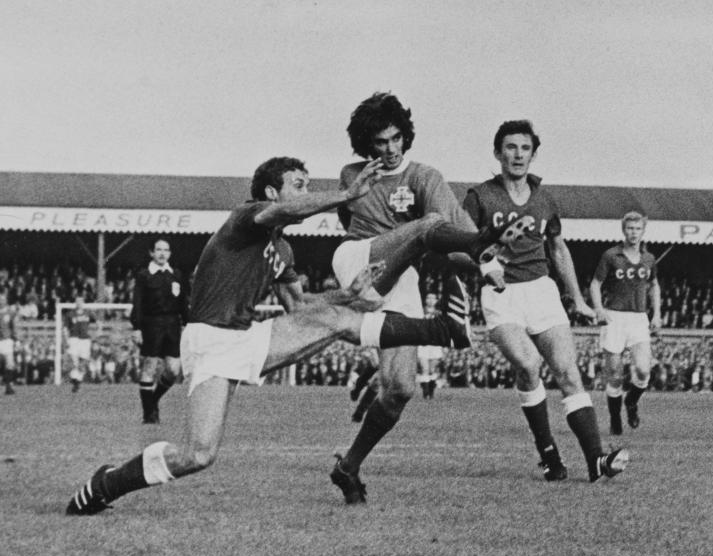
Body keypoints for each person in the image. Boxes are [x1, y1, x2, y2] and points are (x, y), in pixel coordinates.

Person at [65, 156, 476, 516]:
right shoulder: (247, 217)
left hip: (247, 337)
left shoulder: (282, 251)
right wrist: (347, 194)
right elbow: (290, 211)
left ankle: (444, 328)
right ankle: (108, 484)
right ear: (270, 192)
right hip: (209, 340)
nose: (304, 192)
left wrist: (346, 294)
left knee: (335, 317)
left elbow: (298, 306)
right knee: (198, 455)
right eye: (297, 185)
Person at [328, 91, 518, 505]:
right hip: (360, 259)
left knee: (399, 389)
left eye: (397, 139)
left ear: (406, 137)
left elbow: (456, 227)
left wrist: (483, 266)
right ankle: (443, 324)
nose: (390, 149)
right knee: (427, 226)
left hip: (403, 275)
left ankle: (350, 467)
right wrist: (479, 251)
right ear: (367, 144)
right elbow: (362, 223)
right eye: (380, 142)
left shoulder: (425, 177)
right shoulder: (352, 174)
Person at [462, 119, 628, 483]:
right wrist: (486, 264)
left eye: (525, 148)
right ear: (497, 152)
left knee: (568, 372)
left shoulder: (543, 198)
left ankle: (596, 460)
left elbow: (558, 249)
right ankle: (548, 450)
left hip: (541, 290)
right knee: (528, 363)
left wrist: (579, 300)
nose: (518, 155)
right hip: (501, 296)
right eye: (510, 147)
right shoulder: (480, 197)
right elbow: (458, 251)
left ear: (533, 154)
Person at [588, 211, 662, 434]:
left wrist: (656, 313)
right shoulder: (611, 255)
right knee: (615, 373)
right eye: (630, 228)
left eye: (637, 229)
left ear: (643, 231)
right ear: (624, 230)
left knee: (642, 369)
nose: (633, 232)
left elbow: (654, 285)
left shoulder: (649, 259)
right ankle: (614, 419)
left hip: (638, 318)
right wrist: (598, 309)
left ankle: (631, 402)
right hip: (614, 318)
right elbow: (595, 284)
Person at [130, 238, 191, 423]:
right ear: (152, 253)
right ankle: (149, 415)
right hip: (151, 324)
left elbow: (183, 303)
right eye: (158, 250)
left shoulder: (176, 275)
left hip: (173, 325)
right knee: (149, 366)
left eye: (165, 250)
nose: (162, 253)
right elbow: (138, 303)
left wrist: (187, 323)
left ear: (170, 253)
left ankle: (152, 401)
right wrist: (137, 327)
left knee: (173, 369)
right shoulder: (144, 275)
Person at [417, 293, 443, 400]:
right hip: (423, 344)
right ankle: (425, 393)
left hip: (435, 344)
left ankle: (431, 393)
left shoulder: (440, 314)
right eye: (428, 298)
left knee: (432, 369)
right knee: (425, 368)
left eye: (433, 298)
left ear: (436, 301)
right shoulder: (419, 312)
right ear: (425, 300)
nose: (431, 300)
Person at [65, 295, 93, 393]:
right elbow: (65, 328)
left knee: (84, 360)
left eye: (81, 301)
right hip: (74, 338)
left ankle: (77, 380)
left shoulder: (88, 312)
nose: (79, 303)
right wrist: (66, 339)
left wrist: (98, 331)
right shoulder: (70, 314)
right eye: (77, 301)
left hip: (85, 339)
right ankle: (76, 382)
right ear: (75, 302)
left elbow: (98, 321)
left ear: (83, 302)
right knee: (74, 361)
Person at [0, 293, 17, 394]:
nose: (1, 301)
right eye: (0, 300)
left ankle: (8, 386)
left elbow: (14, 327)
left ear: (6, 301)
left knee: (10, 364)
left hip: (7, 341)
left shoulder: (10, 312)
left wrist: (16, 339)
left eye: (3, 299)